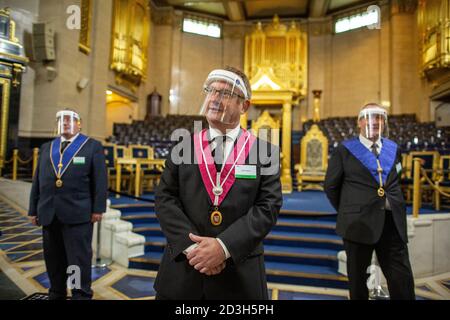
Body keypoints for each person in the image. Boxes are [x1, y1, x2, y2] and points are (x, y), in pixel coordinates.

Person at [154, 67, 282, 299]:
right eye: (211, 91)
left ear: (244, 106)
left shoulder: (266, 152)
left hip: (239, 275)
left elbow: (268, 207)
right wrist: (194, 249)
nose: (214, 98)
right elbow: (165, 199)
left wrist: (223, 247)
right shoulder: (183, 146)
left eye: (225, 93)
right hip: (184, 270)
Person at [324, 103, 415, 300]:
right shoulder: (344, 150)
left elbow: (396, 180)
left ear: (384, 122)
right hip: (358, 224)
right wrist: (348, 210)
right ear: (359, 122)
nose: (374, 121)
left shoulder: (394, 149)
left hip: (392, 223)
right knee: (358, 280)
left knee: (402, 278)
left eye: (379, 117)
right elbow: (331, 186)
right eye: (369, 117)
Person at [28, 109, 107, 300]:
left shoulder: (91, 146)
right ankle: (56, 292)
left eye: (70, 120)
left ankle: (80, 294)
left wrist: (98, 208)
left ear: (79, 124)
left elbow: (100, 181)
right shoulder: (48, 147)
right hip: (48, 212)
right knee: (53, 259)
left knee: (77, 261)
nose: (65, 123)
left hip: (78, 214)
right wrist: (33, 209)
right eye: (62, 120)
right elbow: (38, 180)